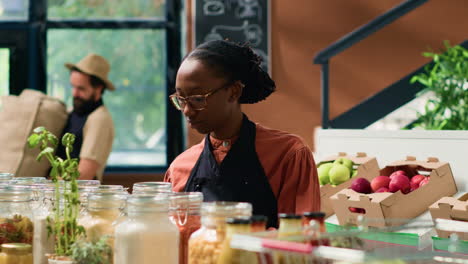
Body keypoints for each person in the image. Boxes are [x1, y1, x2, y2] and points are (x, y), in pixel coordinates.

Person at [164, 40, 320, 228]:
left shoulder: (288, 155)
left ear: (233, 92)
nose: (187, 110)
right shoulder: (180, 168)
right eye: (181, 99)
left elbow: (300, 237)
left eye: (198, 99)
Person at [56, 53, 115, 182]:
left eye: (81, 89)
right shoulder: (74, 112)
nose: (75, 93)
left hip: (77, 198)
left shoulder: (99, 119)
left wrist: (50, 184)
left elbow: (83, 175)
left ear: (98, 89)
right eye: (73, 87)